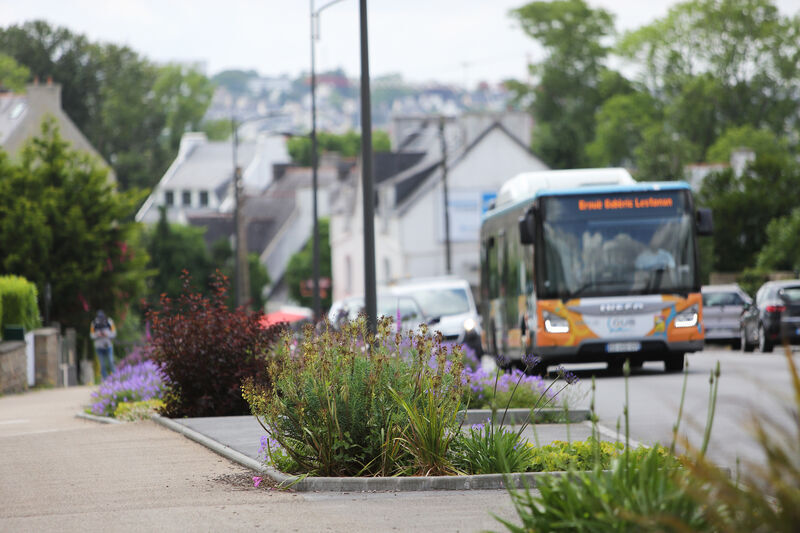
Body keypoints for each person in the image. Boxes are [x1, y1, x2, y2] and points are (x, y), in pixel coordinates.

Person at [90, 310, 117, 379]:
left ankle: (115, 378)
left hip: (108, 346)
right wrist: (97, 335)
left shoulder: (109, 321)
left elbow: (114, 333)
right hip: (99, 347)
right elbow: (91, 335)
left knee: (111, 362)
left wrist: (106, 334)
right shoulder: (94, 323)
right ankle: (105, 379)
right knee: (102, 364)